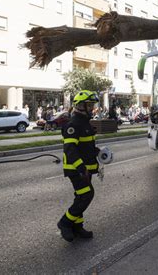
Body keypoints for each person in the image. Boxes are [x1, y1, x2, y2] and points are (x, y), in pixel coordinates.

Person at [57, 90, 100, 242]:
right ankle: (65, 223)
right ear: (81, 106)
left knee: (80, 196)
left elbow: (85, 146)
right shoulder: (73, 124)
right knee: (87, 195)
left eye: (93, 105)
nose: (93, 108)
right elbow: (70, 149)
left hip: (85, 169)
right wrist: (82, 169)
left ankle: (77, 226)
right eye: (90, 105)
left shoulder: (84, 122)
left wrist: (99, 152)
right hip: (76, 169)